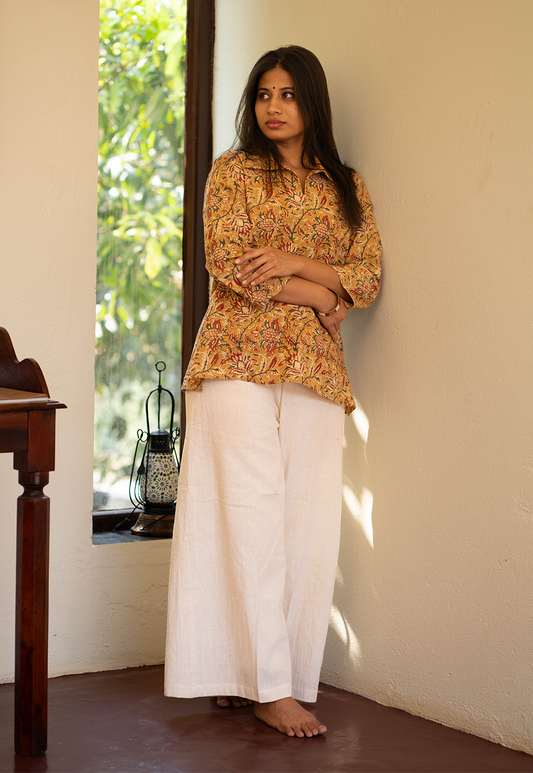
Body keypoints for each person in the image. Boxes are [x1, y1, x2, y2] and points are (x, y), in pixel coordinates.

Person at [165, 45, 381, 738]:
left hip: (314, 368)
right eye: (263, 93)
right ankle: (265, 688)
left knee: (303, 526)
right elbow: (228, 263)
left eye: (287, 94)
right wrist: (321, 290)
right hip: (234, 357)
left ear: (311, 101)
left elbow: (366, 276)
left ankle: (261, 676)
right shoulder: (232, 172)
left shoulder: (345, 185)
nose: (273, 106)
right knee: (244, 519)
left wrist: (293, 262)